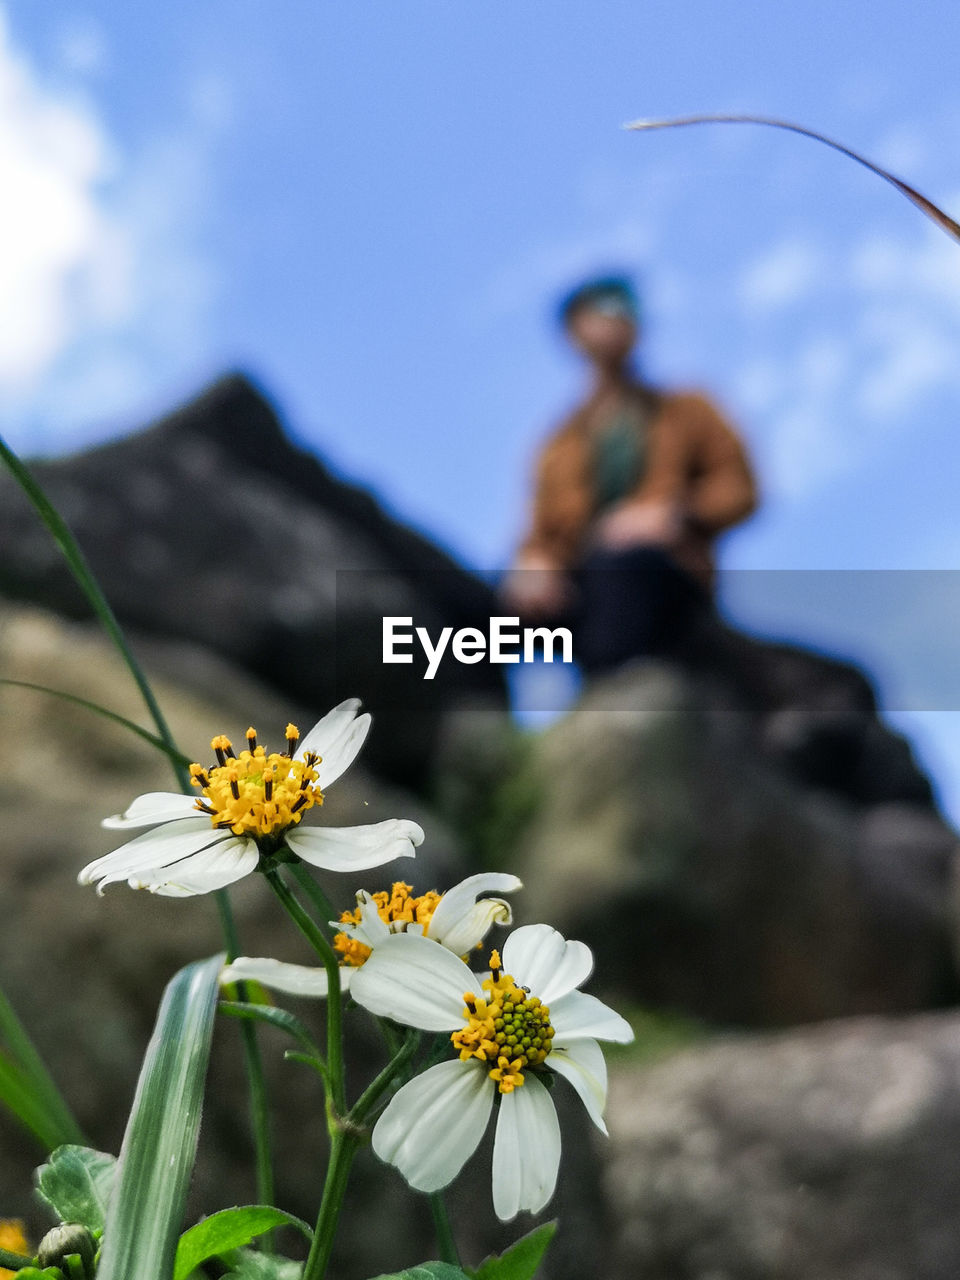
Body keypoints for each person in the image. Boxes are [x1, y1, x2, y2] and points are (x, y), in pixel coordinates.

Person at [503, 275, 757, 673]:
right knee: (482, 617)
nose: (621, 316)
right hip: (580, 586)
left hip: (660, 574)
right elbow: (539, 533)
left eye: (627, 306)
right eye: (604, 307)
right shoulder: (557, 446)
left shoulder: (689, 409)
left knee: (619, 572)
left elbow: (740, 490)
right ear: (575, 331)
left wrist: (673, 516)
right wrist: (532, 564)